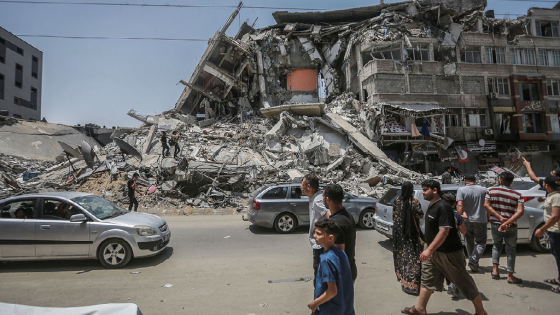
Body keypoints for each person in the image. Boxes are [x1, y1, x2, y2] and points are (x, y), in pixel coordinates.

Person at [402, 180, 486, 315]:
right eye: (422, 190)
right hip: (434, 251)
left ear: (434, 190)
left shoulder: (443, 207)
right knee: (427, 278)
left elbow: (444, 231)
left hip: (449, 252)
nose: (422, 192)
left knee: (462, 280)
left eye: (425, 190)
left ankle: (481, 311)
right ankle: (420, 308)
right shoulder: (432, 206)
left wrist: (429, 249)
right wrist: (428, 247)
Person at [307, 218, 355, 315]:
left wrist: (315, 303)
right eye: (314, 232)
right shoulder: (342, 254)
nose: (314, 236)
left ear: (330, 237)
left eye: (319, 234)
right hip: (345, 308)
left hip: (329, 310)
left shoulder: (326, 259)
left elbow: (332, 291)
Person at [485, 172, 524, 284]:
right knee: (511, 250)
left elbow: (486, 205)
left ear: (500, 181)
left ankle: (495, 271)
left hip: (496, 223)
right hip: (511, 226)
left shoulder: (491, 191)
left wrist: (500, 218)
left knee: (496, 246)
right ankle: (510, 276)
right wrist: (507, 222)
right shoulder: (517, 195)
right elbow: (520, 212)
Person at [392, 182, 424, 295]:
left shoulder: (397, 200)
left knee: (400, 254)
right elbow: (420, 215)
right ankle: (411, 284)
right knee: (412, 257)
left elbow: (394, 215)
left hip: (398, 232)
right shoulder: (415, 202)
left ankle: (401, 275)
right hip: (411, 233)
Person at [323, 184, 357, 282]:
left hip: (340, 276)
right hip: (350, 269)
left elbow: (338, 257)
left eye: (323, 197)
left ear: (328, 199)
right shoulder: (347, 215)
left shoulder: (336, 224)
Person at [456, 174, 488, 273]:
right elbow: (488, 204)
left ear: (465, 180)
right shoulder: (484, 190)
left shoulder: (461, 190)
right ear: (475, 180)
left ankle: (472, 260)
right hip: (480, 220)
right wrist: (489, 217)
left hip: (466, 220)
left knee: (468, 241)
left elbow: (459, 204)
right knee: (481, 242)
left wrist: (459, 217)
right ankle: (473, 261)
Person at [302, 174, 329, 286]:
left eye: (302, 184)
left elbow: (331, 217)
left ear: (308, 186)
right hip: (318, 244)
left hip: (321, 246)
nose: (300, 187)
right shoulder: (314, 198)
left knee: (320, 279)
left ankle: (319, 301)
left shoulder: (318, 201)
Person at [534, 176, 560, 294]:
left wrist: (542, 229)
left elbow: (555, 216)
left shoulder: (557, 197)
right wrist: (544, 199)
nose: (543, 184)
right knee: (556, 256)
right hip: (553, 231)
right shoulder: (552, 195)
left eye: (544, 183)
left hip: (557, 232)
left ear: (547, 185)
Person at [441, 193, 467, 298]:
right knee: (459, 265)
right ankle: (454, 284)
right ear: (454, 204)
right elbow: (464, 231)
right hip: (455, 245)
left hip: (441, 245)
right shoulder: (456, 216)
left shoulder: (438, 214)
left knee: (446, 266)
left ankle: (450, 284)